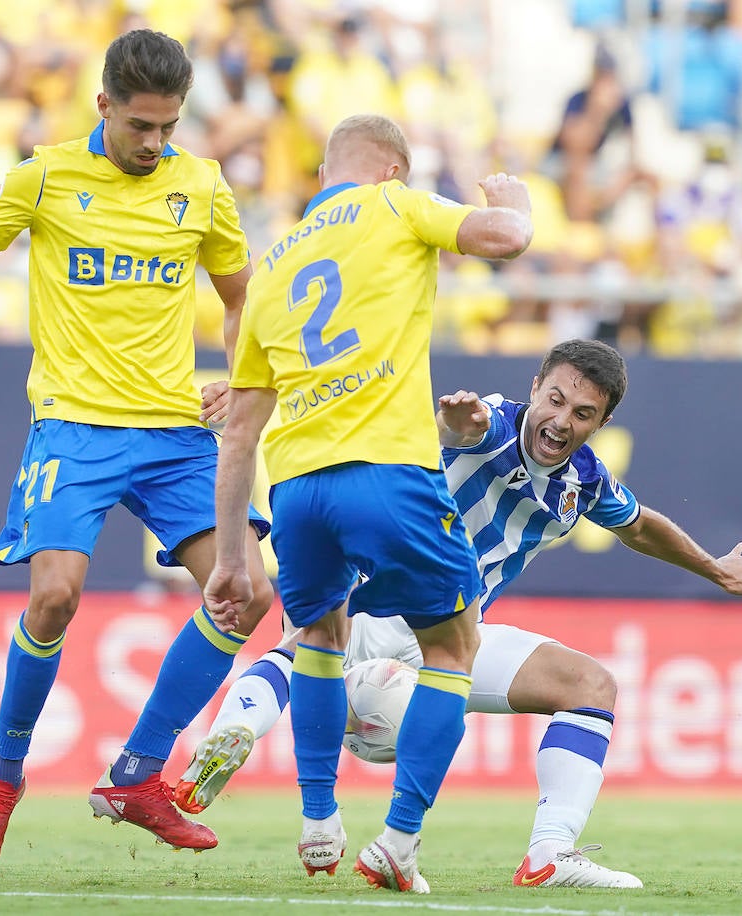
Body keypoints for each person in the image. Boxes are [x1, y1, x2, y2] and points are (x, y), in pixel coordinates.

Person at [0, 29, 275, 880]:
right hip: (74, 424)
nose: (156, 144)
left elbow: (239, 297)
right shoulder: (43, 177)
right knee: (55, 596)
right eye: (141, 126)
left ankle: (138, 774)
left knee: (248, 592)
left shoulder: (203, 186)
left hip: (173, 432)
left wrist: (237, 373)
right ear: (104, 105)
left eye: (169, 127)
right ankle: (2, 784)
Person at [181, 338, 742, 889]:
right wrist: (451, 426)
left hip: (451, 634)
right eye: (555, 400)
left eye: (583, 414)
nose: (560, 421)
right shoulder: (492, 422)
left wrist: (714, 567)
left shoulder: (585, 481)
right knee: (307, 648)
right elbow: (437, 425)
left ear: (601, 423)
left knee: (591, 686)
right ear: (535, 389)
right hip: (381, 607)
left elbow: (640, 527)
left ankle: (550, 856)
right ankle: (242, 740)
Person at [201, 113, 533, 894]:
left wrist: (229, 558)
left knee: (315, 634)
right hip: (386, 468)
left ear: (324, 177)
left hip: (297, 488)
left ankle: (319, 822)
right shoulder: (395, 205)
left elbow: (239, 433)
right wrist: (514, 202)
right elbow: (505, 241)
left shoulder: (273, 265)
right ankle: (399, 841)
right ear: (392, 171)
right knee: (453, 646)